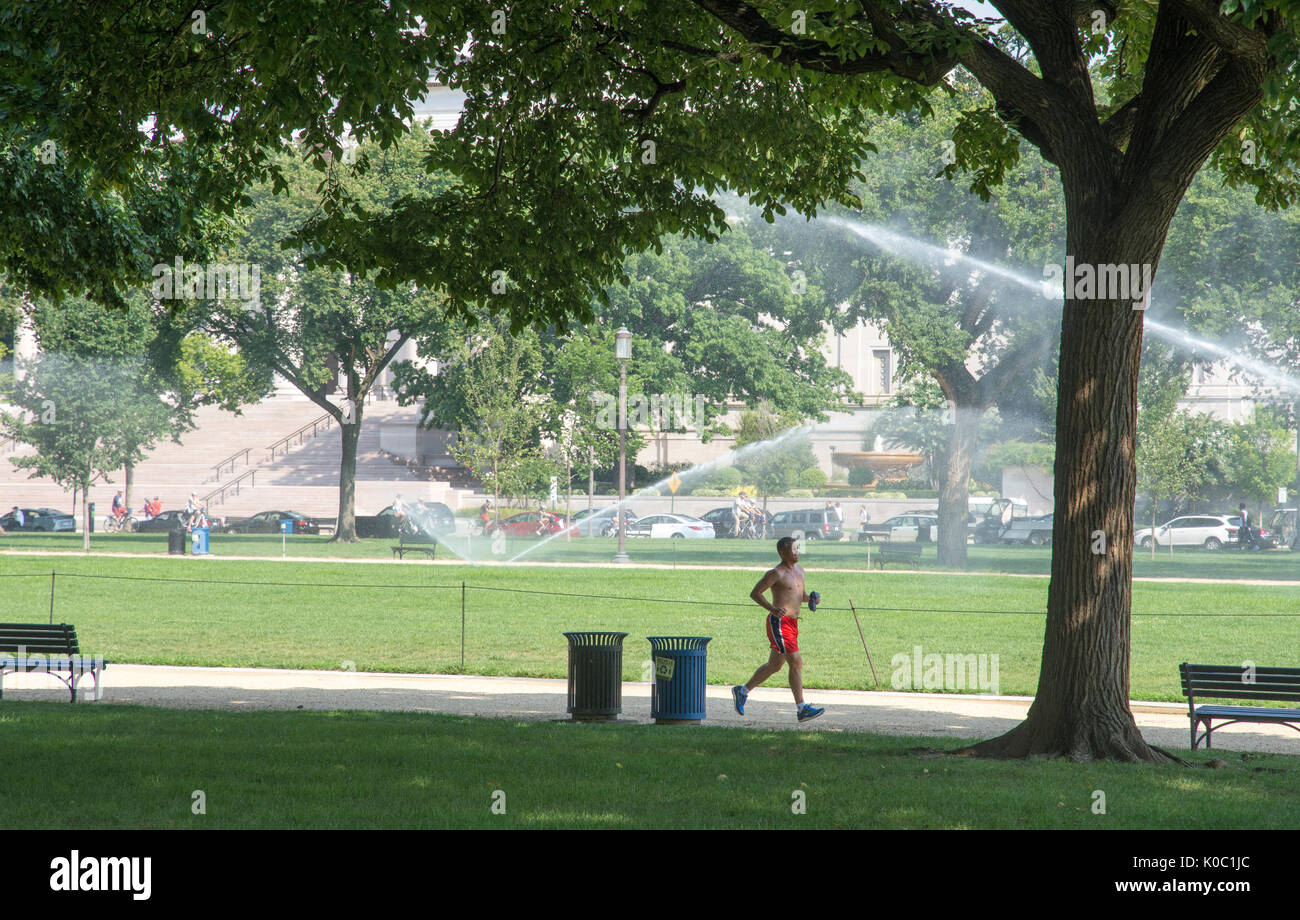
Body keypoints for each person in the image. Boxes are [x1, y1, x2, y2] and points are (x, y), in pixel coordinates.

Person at [731, 537, 824, 723]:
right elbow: (755, 593)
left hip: (793, 624)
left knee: (775, 665)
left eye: (798, 549)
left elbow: (799, 595)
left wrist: (812, 598)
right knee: (796, 662)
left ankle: (742, 691)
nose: (796, 552)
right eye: (793, 550)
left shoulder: (800, 571)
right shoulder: (776, 573)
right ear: (782, 553)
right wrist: (772, 609)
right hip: (779, 624)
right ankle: (802, 708)